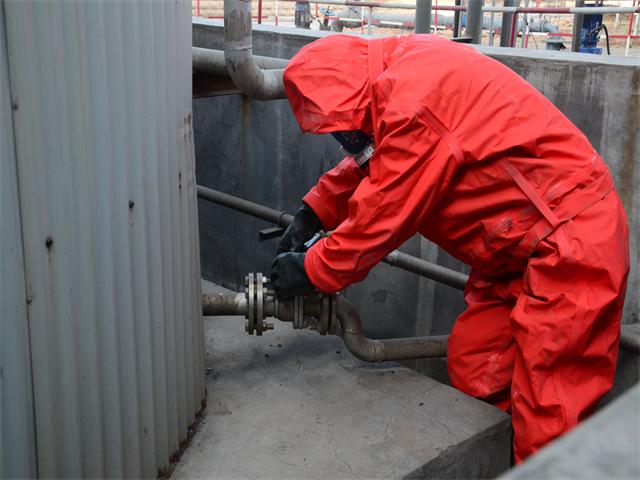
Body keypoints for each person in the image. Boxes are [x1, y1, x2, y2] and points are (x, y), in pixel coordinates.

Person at [270, 34, 629, 462]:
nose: (344, 137)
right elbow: (382, 156)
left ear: (350, 95)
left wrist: (313, 269)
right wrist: (315, 210)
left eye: (341, 127)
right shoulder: (394, 77)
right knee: (478, 364)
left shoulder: (415, 99)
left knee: (550, 410)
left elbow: (386, 206)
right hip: (518, 252)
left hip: (567, 244)